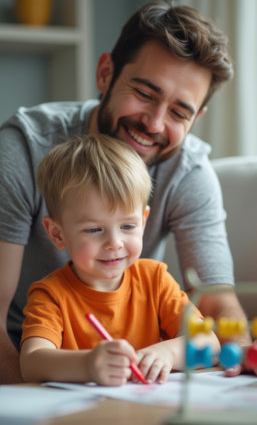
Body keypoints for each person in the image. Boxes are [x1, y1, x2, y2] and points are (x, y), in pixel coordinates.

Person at [0, 0, 251, 384]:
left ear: (196, 118)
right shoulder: (22, 148)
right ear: (105, 74)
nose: (153, 123)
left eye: (179, 112)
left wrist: (242, 364)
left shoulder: (189, 174)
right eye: (146, 93)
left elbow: (216, 302)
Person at [19, 134, 220, 385]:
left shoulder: (155, 280)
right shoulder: (51, 295)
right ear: (57, 234)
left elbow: (209, 344)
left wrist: (166, 353)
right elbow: (32, 363)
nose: (115, 243)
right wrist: (89, 365)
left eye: (127, 226)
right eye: (94, 229)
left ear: (143, 222)